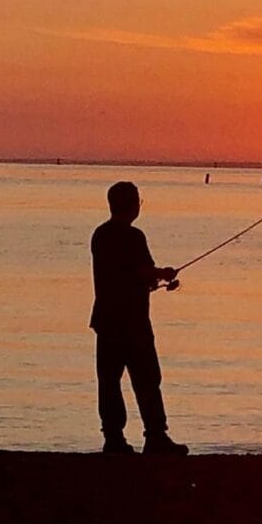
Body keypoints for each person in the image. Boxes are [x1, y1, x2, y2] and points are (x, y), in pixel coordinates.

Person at [89, 181, 188, 455]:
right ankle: (155, 436)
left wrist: (154, 277)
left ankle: (113, 439)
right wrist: (164, 274)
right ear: (134, 205)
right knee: (147, 379)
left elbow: (126, 273)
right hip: (132, 322)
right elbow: (142, 272)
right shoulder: (133, 237)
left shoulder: (100, 235)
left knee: (109, 381)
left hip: (106, 319)